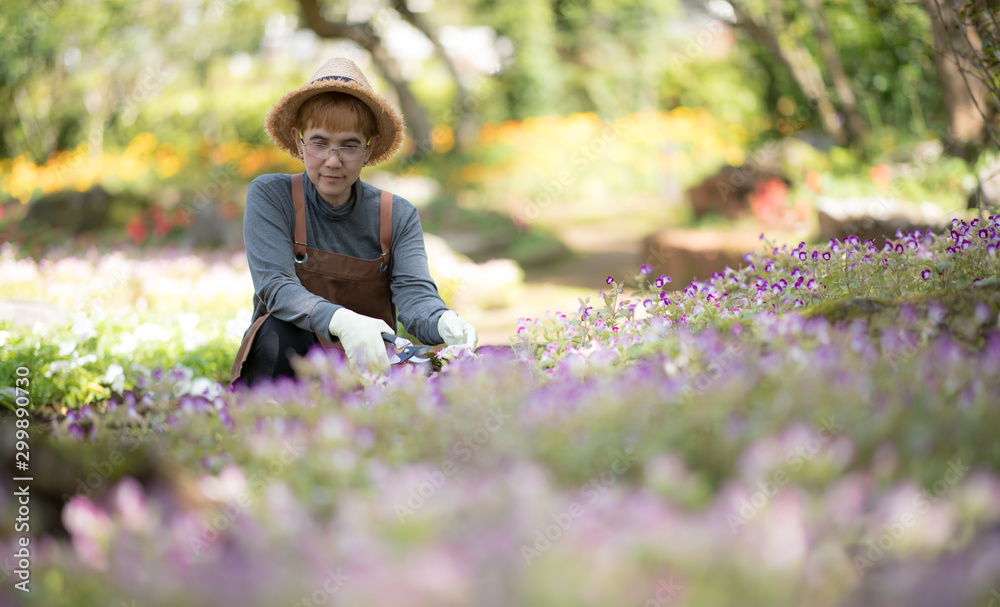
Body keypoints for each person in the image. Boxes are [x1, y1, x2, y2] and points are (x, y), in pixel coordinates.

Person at [230, 57, 478, 387]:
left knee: (434, 376)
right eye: (319, 143)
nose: (333, 161)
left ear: (368, 148)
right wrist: (340, 319)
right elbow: (275, 287)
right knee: (276, 330)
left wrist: (442, 320)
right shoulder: (272, 196)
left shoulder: (396, 215)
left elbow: (414, 295)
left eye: (349, 145)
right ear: (299, 142)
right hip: (288, 366)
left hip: (369, 366)